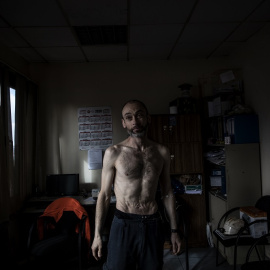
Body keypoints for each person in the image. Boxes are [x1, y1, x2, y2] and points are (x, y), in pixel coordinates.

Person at [91, 100, 181, 270]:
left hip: (152, 223)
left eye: (139, 115)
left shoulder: (161, 152)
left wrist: (174, 231)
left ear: (148, 118)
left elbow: (167, 192)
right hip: (123, 222)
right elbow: (104, 195)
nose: (135, 121)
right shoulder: (114, 152)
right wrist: (97, 235)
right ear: (124, 123)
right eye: (129, 117)